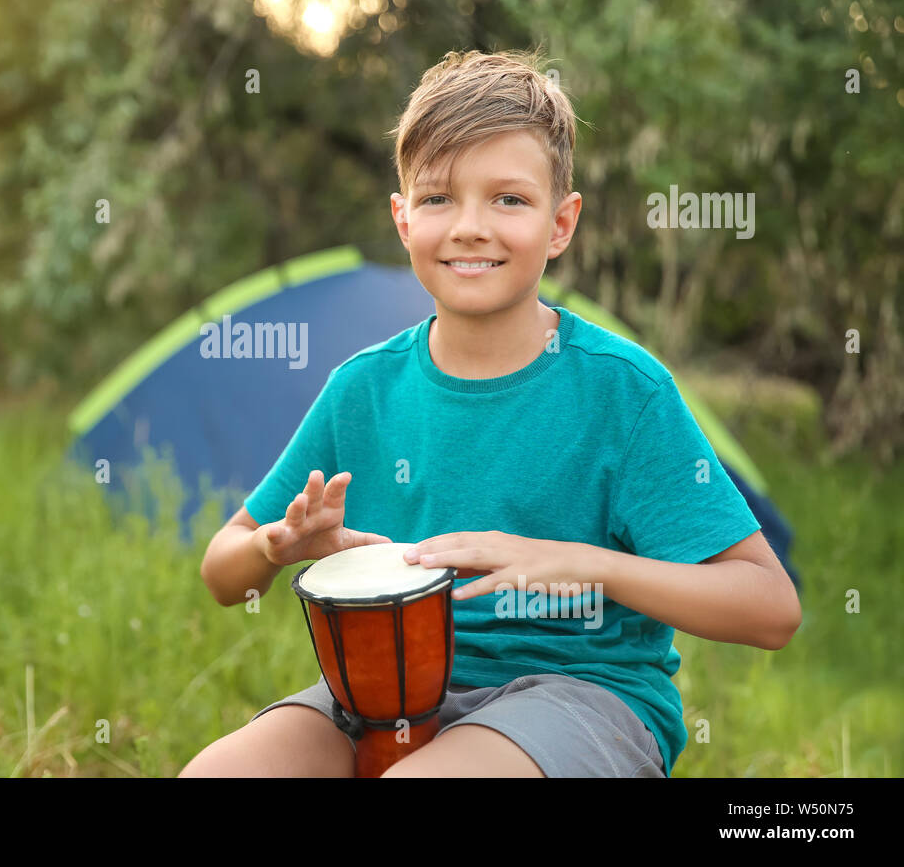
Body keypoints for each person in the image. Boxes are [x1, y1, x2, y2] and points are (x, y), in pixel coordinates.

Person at [178, 49, 801, 778]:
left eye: (509, 199)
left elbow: (770, 608)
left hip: (585, 698)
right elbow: (224, 572)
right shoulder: (362, 389)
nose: (471, 227)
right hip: (382, 692)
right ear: (403, 219)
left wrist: (578, 564)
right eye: (439, 198)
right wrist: (275, 547)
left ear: (561, 223)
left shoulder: (624, 391)